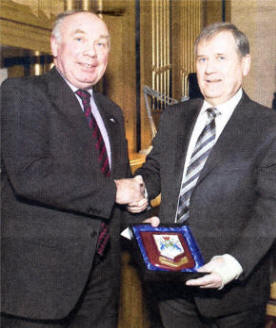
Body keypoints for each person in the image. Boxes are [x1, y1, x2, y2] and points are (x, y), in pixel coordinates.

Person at [1, 10, 147, 328]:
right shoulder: (21, 95)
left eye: (102, 43)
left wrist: (141, 218)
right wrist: (116, 191)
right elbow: (29, 175)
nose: (91, 53)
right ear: (56, 45)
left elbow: (116, 188)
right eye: (79, 39)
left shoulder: (111, 112)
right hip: (38, 289)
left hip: (101, 282)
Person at [131, 22, 276, 327]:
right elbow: (154, 169)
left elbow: (271, 209)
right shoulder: (174, 116)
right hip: (171, 281)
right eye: (202, 59)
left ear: (245, 64)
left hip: (234, 292)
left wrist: (234, 264)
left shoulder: (268, 127)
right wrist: (139, 193)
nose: (209, 69)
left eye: (221, 58)